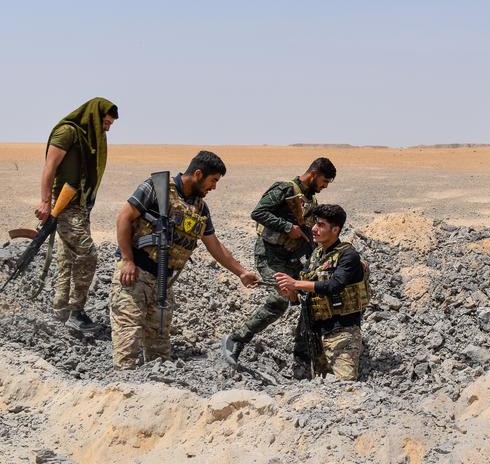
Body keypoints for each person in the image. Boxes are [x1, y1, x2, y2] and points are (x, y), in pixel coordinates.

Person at [109, 150, 258, 370]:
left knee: (160, 353)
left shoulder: (199, 207)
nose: (214, 187)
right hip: (135, 277)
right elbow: (123, 217)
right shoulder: (156, 187)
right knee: (127, 349)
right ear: (198, 174)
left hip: (163, 283)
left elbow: (214, 244)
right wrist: (127, 260)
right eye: (213, 180)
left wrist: (241, 272)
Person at [221, 158, 336, 367]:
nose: (325, 186)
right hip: (270, 256)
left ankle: (302, 355)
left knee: (312, 299)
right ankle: (236, 339)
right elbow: (258, 212)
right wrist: (286, 227)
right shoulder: (285, 189)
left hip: (295, 258)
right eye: (325, 180)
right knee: (280, 299)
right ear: (314, 174)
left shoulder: (311, 201)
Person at [36, 97, 118, 332]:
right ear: (94, 116)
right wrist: (45, 202)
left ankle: (60, 311)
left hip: (80, 207)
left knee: (67, 259)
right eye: (106, 122)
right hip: (65, 207)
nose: (108, 128)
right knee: (88, 254)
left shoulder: (91, 138)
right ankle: (76, 312)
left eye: (111, 124)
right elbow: (49, 167)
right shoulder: (67, 132)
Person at [276, 204, 367, 381]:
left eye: (321, 225)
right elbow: (304, 296)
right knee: (322, 389)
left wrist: (296, 283)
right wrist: (291, 291)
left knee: (345, 387)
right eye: (315, 224)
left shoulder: (348, 255)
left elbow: (334, 285)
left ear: (335, 229)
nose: (314, 229)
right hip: (316, 335)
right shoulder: (317, 254)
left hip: (343, 334)